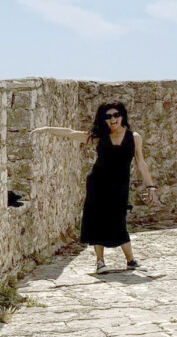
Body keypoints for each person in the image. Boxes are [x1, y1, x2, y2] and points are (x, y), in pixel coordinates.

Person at [34, 103, 161, 273]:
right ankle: (100, 262)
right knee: (97, 220)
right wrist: (47, 129)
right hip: (98, 184)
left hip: (120, 186)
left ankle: (130, 260)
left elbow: (141, 162)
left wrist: (151, 186)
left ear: (122, 116)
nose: (113, 119)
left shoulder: (134, 137)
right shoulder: (99, 137)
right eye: (108, 116)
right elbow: (72, 134)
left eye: (116, 115)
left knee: (119, 220)